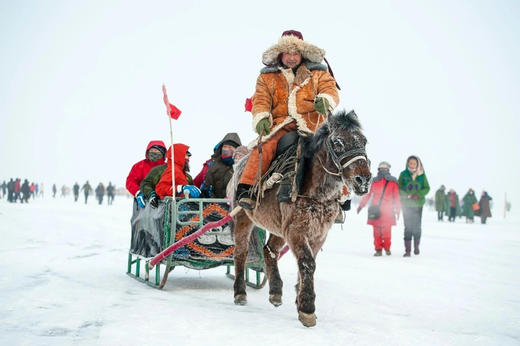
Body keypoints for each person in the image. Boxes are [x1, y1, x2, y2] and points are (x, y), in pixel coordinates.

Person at [236, 30, 340, 210]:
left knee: (335, 149)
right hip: (281, 124)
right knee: (265, 147)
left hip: (314, 123)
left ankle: (340, 196)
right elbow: (261, 99)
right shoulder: (267, 77)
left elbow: (330, 89)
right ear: (280, 54)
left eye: (296, 53)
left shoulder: (318, 73)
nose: (292, 57)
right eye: (288, 53)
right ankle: (247, 189)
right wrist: (261, 116)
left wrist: (325, 100)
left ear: (302, 54)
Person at [357, 161, 401, 256]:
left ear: (388, 169)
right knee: (376, 232)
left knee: (387, 232)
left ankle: (387, 248)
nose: (383, 170)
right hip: (375, 210)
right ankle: (378, 249)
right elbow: (367, 195)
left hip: (388, 211)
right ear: (378, 169)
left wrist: (398, 210)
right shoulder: (374, 181)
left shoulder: (393, 182)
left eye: (385, 168)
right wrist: (361, 205)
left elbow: (397, 197)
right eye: (381, 168)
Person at [398, 155, 430, 257]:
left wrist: (418, 194)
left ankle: (416, 247)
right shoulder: (403, 174)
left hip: (418, 204)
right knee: (407, 227)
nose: (412, 165)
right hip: (406, 204)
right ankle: (407, 250)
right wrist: (406, 195)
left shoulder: (422, 175)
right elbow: (398, 188)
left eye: (414, 163)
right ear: (407, 163)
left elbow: (427, 188)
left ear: (418, 164)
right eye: (410, 163)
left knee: (417, 226)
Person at [126, 140, 167, 209]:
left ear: (163, 153)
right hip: (143, 202)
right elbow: (130, 181)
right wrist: (138, 192)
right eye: (152, 150)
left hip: (163, 203)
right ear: (147, 151)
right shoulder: (139, 166)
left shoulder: (168, 167)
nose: (154, 153)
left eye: (157, 151)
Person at [201, 133, 242, 198]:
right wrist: (214, 201)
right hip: (215, 205)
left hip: (234, 205)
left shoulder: (241, 166)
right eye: (225, 147)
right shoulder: (214, 165)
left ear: (236, 150)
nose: (226, 149)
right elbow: (207, 185)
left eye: (230, 147)